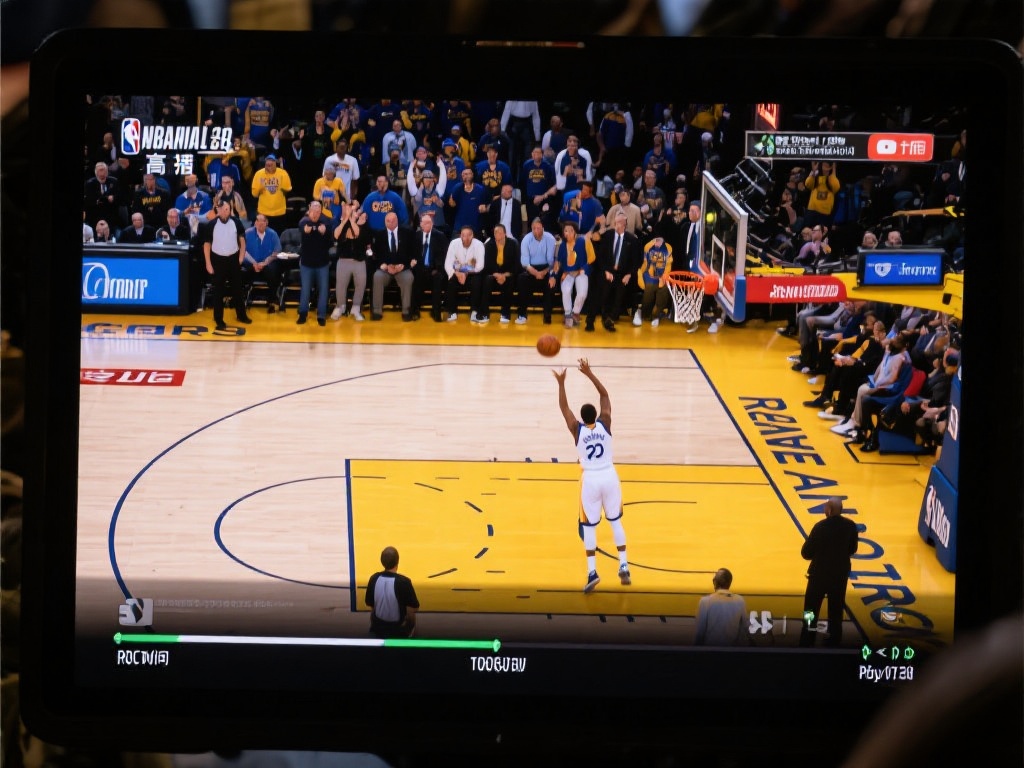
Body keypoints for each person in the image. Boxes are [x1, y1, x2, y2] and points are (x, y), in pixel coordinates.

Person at [553, 358, 631, 593]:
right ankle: (624, 565)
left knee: (589, 527)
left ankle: (592, 572)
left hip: (590, 480)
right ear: (596, 415)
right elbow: (604, 395)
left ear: (581, 417)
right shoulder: (605, 423)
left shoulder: (576, 429)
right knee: (615, 522)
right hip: (609, 475)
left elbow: (564, 409)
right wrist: (588, 373)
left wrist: (561, 384)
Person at [799, 497, 859, 648]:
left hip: (819, 574)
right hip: (839, 575)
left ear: (830, 510)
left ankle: (807, 638)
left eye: (825, 507)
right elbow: (853, 549)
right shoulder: (850, 526)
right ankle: (834, 640)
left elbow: (806, 553)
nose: (824, 509)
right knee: (836, 610)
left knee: (811, 609)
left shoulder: (820, 527)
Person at [200, 200, 251, 331]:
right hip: (217, 260)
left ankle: (241, 315)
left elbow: (242, 241)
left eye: (227, 209)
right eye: (222, 209)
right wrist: (208, 263)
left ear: (229, 209)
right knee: (218, 291)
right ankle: (219, 319)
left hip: (233, 259)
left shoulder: (236, 222)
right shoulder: (211, 224)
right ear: (218, 210)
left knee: (237, 289)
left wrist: (241, 257)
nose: (225, 212)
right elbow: (206, 245)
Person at [588, 210, 640, 332]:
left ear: (624, 224)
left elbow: (636, 260)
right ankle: (591, 320)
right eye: (616, 222)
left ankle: (609, 320)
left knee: (620, 295)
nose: (617, 224)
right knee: (602, 293)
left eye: (620, 222)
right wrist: (606, 271)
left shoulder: (631, 240)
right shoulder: (607, 236)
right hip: (607, 270)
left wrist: (629, 274)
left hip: (622, 273)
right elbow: (600, 256)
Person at [365, 546, 419, 639]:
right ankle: (408, 635)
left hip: (378, 626)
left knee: (374, 608)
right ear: (397, 562)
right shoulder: (404, 581)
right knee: (410, 610)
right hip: (397, 628)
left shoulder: (374, 578)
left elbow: (369, 603)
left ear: (381, 561)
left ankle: (375, 629)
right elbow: (415, 607)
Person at [370, 211, 415, 321]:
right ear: (385, 222)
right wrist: (383, 265)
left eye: (393, 220)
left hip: (402, 268)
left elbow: (412, 252)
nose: (391, 223)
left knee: (408, 278)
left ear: (397, 221)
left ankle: (406, 311)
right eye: (388, 221)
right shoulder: (379, 235)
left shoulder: (407, 233)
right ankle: (377, 311)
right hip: (385, 269)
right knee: (377, 276)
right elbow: (375, 254)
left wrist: (404, 265)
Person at [296, 201, 333, 327]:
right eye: (313, 210)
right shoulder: (304, 221)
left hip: (322, 263)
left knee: (323, 290)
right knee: (305, 289)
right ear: (309, 210)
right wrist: (307, 230)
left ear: (321, 211)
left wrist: (324, 233)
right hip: (307, 263)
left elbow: (330, 242)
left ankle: (321, 315)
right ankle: (302, 314)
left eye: (318, 211)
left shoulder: (326, 222)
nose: (315, 213)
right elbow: (302, 226)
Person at [554, 219, 597, 329]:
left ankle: (576, 312)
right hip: (568, 272)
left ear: (575, 231)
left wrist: (584, 268)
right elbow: (559, 261)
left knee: (582, 293)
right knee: (566, 289)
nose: (568, 233)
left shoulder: (584, 240)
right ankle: (568, 313)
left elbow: (592, 257)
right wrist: (556, 274)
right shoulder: (562, 245)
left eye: (570, 230)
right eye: (566, 231)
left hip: (581, 270)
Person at [331, 200, 369, 321]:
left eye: (353, 208)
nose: (350, 210)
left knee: (360, 284)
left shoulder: (363, 224)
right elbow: (336, 235)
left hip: (359, 260)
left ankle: (356, 307)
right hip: (343, 260)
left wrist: (352, 220)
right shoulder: (340, 222)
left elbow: (357, 233)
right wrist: (345, 220)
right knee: (341, 285)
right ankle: (340, 306)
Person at [409, 212, 450, 322]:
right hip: (420, 267)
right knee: (415, 278)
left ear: (432, 224)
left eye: (429, 222)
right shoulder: (416, 236)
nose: (427, 224)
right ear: (420, 224)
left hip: (435, 268)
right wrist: (411, 261)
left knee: (437, 279)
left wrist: (437, 268)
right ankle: (415, 310)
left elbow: (444, 255)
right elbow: (411, 252)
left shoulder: (440, 236)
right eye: (424, 222)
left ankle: (436, 311)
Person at [516, 217, 557, 325]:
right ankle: (522, 314)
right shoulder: (526, 240)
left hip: (546, 268)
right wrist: (536, 273)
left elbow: (552, 261)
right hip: (531, 268)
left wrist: (544, 272)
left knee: (551, 283)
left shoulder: (550, 239)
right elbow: (525, 262)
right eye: (534, 228)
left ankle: (547, 315)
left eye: (538, 228)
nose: (536, 231)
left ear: (543, 228)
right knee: (521, 279)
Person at [478, 223, 521, 324]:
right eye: (495, 232)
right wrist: (497, 274)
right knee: (487, 280)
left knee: (510, 280)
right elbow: (487, 264)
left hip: (508, 274)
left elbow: (516, 264)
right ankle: (484, 313)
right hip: (494, 274)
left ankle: (505, 313)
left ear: (505, 234)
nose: (497, 234)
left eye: (500, 232)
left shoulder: (513, 244)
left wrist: (505, 275)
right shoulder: (489, 245)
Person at [694, 568, 748, 646]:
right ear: (729, 583)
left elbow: (699, 633)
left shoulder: (705, 601)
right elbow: (744, 631)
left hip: (710, 650)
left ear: (714, 582)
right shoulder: (740, 601)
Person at [442, 225, 485, 322]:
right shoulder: (454, 243)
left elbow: (479, 266)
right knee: (451, 280)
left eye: (469, 235)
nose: (466, 238)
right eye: (463, 235)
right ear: (460, 236)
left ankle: (474, 311)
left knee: (477, 280)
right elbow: (448, 264)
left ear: (472, 235)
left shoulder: (479, 245)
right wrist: (457, 273)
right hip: (457, 273)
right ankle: (452, 311)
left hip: (472, 274)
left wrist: (465, 272)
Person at [242, 214, 283, 314]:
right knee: (241, 272)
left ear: (266, 223)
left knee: (273, 272)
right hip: (251, 264)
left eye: (263, 221)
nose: (260, 223)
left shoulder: (273, 234)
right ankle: (241, 300)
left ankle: (272, 301)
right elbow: (243, 251)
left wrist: (265, 262)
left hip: (266, 264)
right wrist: (254, 263)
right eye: (258, 221)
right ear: (255, 223)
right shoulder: (247, 233)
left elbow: (277, 251)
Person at [250, 154, 293, 234]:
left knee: (279, 236)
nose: (269, 167)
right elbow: (254, 194)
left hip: (279, 212)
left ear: (275, 164)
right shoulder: (259, 174)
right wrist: (260, 187)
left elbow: (288, 189)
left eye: (271, 164)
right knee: (263, 235)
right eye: (268, 165)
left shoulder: (283, 173)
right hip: (263, 212)